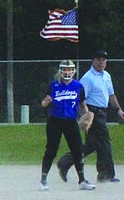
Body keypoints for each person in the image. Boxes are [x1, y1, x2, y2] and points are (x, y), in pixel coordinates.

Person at [57, 49, 124, 183]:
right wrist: (85, 118)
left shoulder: (106, 76)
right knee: (105, 143)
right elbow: (80, 99)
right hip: (93, 114)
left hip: (102, 112)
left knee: (92, 146)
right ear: (93, 61)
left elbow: (111, 94)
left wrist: (118, 109)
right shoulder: (88, 78)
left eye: (104, 60)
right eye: (98, 59)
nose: (101, 62)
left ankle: (65, 162)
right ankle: (106, 174)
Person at [39, 60, 95, 192]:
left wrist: (87, 115)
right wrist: (46, 102)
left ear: (74, 71)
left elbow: (82, 104)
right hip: (55, 121)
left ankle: (82, 180)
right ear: (60, 70)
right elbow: (43, 104)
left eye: (70, 69)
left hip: (70, 121)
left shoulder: (78, 86)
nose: (67, 72)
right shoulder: (53, 85)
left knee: (78, 150)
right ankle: (43, 180)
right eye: (65, 69)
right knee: (51, 150)